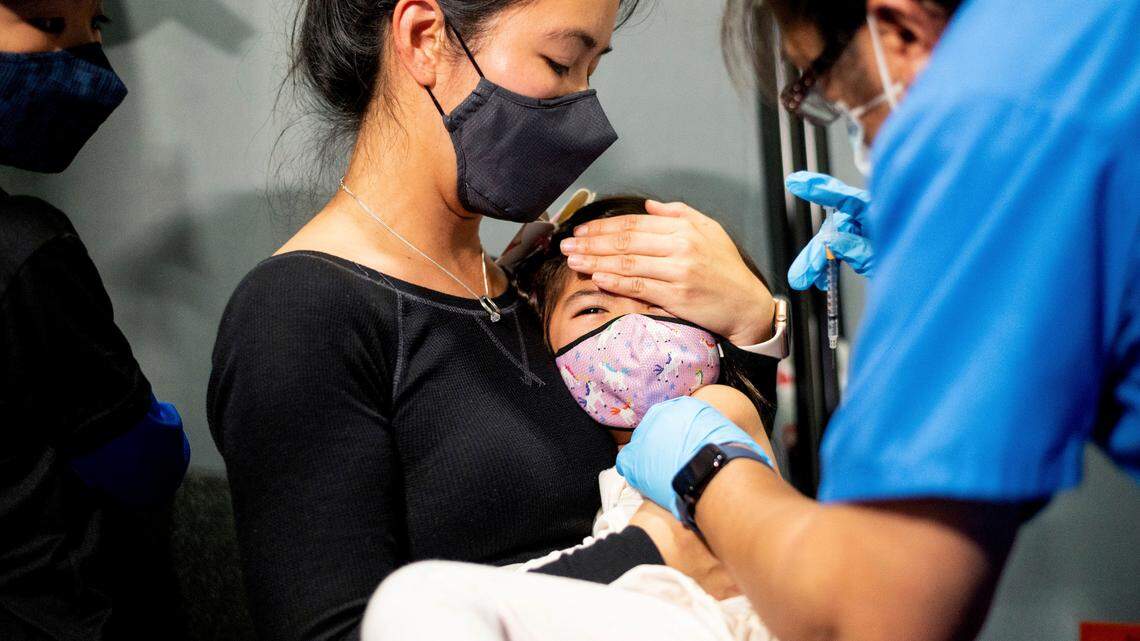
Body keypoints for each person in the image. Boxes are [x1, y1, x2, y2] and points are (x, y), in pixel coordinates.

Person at [206, 1, 786, 640]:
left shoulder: (535, 295)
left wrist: (752, 325)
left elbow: (695, 464)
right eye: (561, 62)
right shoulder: (299, 312)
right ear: (426, 39)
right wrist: (653, 553)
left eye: (592, 72)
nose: (583, 107)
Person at [611, 0, 1140, 640]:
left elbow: (872, 612)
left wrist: (705, 468)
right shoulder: (1082, 37)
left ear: (900, 26)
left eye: (831, 93)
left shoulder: (991, 112)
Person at [361, 196, 785, 641]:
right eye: (593, 309)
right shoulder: (581, 461)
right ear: (544, 337)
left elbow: (719, 562)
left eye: (659, 304)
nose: (632, 327)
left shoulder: (712, 414)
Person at [0, 2, 191, 640]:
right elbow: (138, 462)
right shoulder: (26, 247)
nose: (84, 53)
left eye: (96, 24)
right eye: (50, 23)